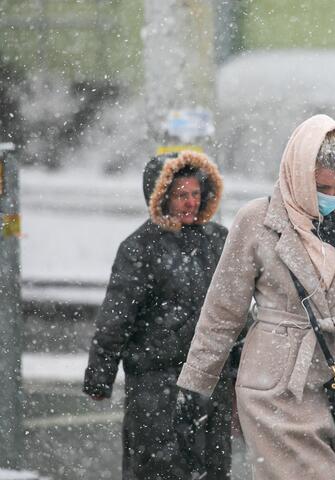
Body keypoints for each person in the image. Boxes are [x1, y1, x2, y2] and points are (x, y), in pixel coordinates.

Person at [176, 114, 335, 480]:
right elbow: (223, 312)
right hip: (276, 390)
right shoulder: (258, 219)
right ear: (298, 173)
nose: (332, 197)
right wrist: (195, 385)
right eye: (322, 187)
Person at [83, 150, 237, 480]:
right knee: (158, 467)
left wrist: (241, 368)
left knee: (213, 468)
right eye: (182, 195)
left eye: (196, 194)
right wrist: (100, 374)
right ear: (161, 197)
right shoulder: (140, 247)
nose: (191, 203)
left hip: (211, 382)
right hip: (156, 386)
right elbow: (117, 316)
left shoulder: (219, 242)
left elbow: (235, 312)